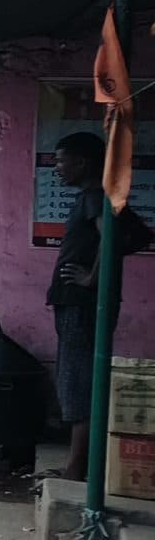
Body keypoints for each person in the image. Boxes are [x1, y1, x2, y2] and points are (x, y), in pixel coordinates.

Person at [47, 131, 151, 480]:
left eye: (61, 160)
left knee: (77, 384)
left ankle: (76, 471)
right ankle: (77, 466)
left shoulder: (95, 197)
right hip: (78, 302)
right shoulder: (99, 198)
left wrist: (92, 278)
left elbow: (112, 237)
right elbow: (137, 235)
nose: (56, 167)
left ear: (82, 162)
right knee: (78, 380)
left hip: (81, 303)